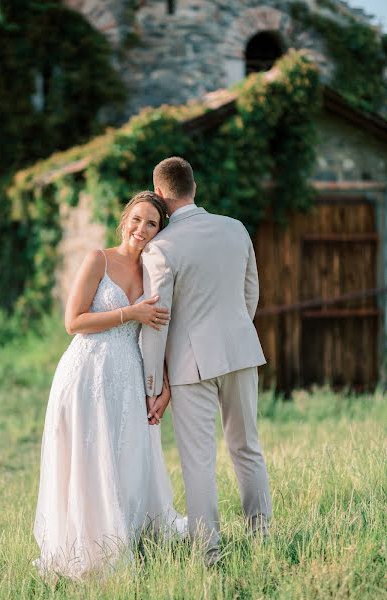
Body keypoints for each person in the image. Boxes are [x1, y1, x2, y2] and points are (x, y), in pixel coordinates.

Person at [33, 191, 186, 580]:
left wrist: (164, 384)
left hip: (128, 374)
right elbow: (74, 322)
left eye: (151, 223)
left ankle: (128, 535)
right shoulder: (97, 260)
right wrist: (128, 313)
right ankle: (87, 545)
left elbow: (163, 332)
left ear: (159, 230)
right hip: (86, 373)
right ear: (124, 220)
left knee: (124, 455)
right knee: (88, 456)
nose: (142, 228)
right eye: (137, 219)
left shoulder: (154, 271)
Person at [142, 157, 272, 566]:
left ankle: (209, 552)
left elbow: (157, 320)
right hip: (240, 351)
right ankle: (262, 537)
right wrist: (232, 333)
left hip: (189, 365)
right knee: (247, 447)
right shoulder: (236, 229)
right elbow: (251, 294)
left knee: (197, 459)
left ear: (160, 194)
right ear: (193, 188)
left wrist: (152, 382)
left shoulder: (161, 247)